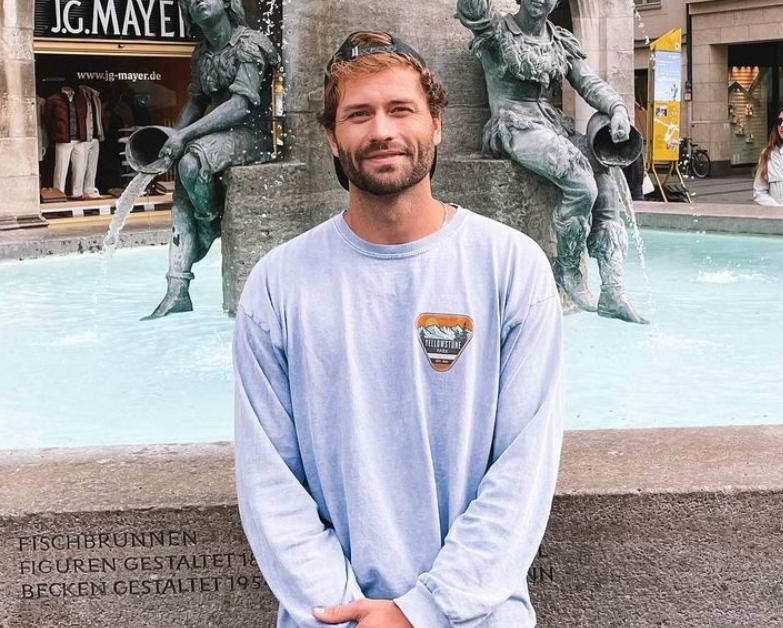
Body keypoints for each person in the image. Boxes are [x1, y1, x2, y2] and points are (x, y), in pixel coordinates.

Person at [233, 31, 565, 628]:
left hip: (477, 616)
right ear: (332, 137)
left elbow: (524, 466)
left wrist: (422, 612)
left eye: (401, 109)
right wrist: (348, 613)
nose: (381, 130)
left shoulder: (513, 267)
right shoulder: (276, 286)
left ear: (436, 123)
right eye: (358, 114)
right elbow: (270, 481)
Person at [456, 0, 646, 323]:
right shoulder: (497, 29)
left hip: (552, 126)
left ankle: (612, 288)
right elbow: (471, 9)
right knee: (581, 182)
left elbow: (588, 83)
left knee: (605, 177)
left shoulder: (558, 40)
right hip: (514, 124)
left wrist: (617, 109)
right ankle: (567, 266)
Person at [146, 0, 279, 319]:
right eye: (189, 1)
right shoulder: (201, 53)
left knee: (191, 160)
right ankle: (176, 291)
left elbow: (239, 107)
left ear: (226, 3)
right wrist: (172, 138)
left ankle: (208, 223)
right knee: (182, 177)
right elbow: (195, 102)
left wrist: (185, 137)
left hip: (253, 137)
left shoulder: (249, 44)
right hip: (214, 139)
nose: (197, 2)